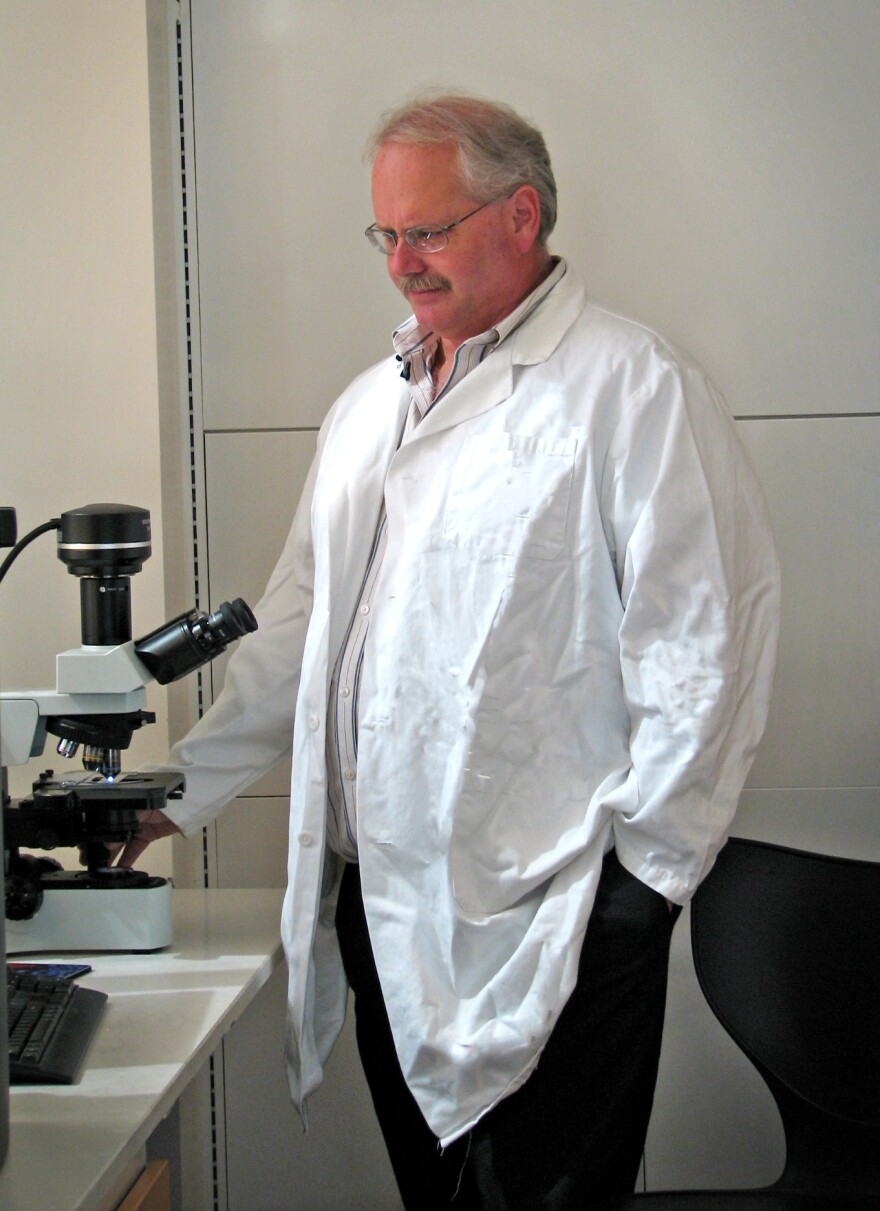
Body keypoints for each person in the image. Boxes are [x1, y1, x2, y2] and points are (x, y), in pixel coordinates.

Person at [124, 93, 781, 1208]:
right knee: (435, 1193)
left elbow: (704, 646)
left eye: (426, 230)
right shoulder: (367, 410)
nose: (401, 263)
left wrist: (644, 883)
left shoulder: (629, 388)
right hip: (383, 899)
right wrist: (169, 795)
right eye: (385, 234)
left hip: (555, 902)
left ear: (520, 214)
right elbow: (295, 629)